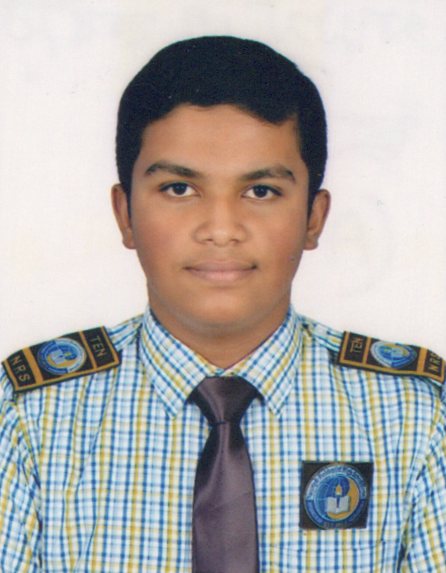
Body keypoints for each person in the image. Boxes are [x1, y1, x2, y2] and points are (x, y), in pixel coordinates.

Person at [0, 36, 445, 572]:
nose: (220, 229)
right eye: (179, 189)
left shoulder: (414, 415)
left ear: (313, 218)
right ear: (125, 214)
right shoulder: (31, 416)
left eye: (260, 192)